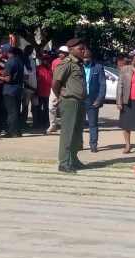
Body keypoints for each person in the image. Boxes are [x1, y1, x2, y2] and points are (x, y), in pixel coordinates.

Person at [52, 38, 87, 173]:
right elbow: (55, 82)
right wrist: (60, 96)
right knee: (68, 133)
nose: (83, 51)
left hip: (80, 102)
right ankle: (64, 163)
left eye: (83, 48)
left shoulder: (79, 64)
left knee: (77, 134)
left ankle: (73, 159)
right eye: (80, 49)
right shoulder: (66, 64)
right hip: (69, 101)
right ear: (71, 50)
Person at [0, 44, 24, 138]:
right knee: (17, 110)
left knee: (11, 112)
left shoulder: (9, 62)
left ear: (6, 52)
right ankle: (18, 130)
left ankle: (12, 131)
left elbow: (8, 79)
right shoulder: (19, 60)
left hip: (10, 89)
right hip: (18, 88)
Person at [81, 48, 106, 153]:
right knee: (78, 124)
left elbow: (103, 84)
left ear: (90, 57)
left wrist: (99, 99)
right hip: (80, 99)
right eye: (84, 58)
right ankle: (78, 144)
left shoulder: (98, 67)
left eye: (88, 57)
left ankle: (93, 145)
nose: (86, 60)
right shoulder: (77, 67)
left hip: (92, 100)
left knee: (93, 124)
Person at [47, 46, 69, 134]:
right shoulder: (55, 62)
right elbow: (53, 74)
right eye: (59, 52)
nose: (60, 54)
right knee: (51, 106)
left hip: (65, 87)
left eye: (62, 52)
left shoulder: (70, 62)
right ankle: (52, 124)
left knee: (65, 107)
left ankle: (65, 125)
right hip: (55, 86)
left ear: (67, 53)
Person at [22, 45, 38, 128]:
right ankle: (23, 122)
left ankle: (36, 122)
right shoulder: (22, 60)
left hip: (34, 86)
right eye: (28, 50)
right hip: (26, 88)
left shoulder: (32, 60)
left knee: (35, 106)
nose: (30, 51)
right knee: (25, 106)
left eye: (32, 50)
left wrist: (36, 88)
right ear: (25, 50)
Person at [36, 53, 52, 127]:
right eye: (44, 59)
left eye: (47, 59)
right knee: (38, 107)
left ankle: (46, 122)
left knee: (47, 108)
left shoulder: (51, 68)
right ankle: (38, 122)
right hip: (40, 91)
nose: (45, 61)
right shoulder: (38, 68)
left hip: (48, 92)